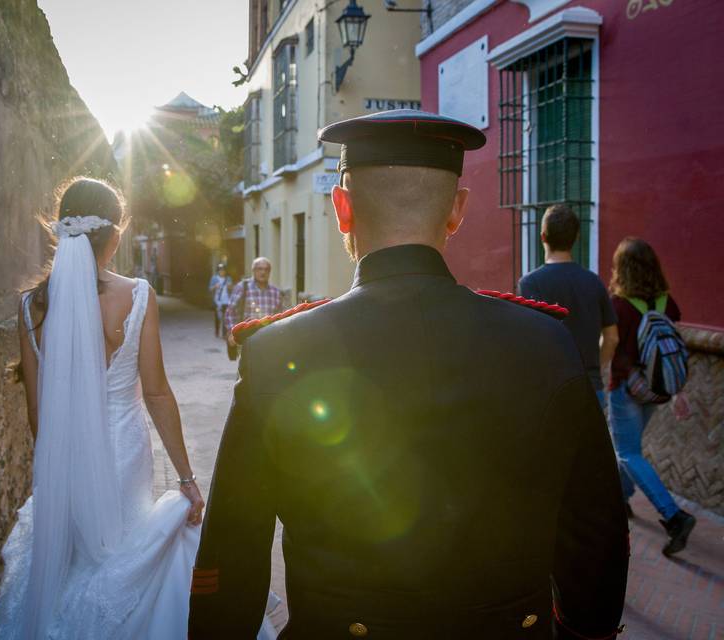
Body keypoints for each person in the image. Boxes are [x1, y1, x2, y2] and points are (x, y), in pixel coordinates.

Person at [189, 110, 628, 639]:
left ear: (342, 208)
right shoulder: (545, 341)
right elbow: (596, 533)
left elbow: (235, 548)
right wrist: (584, 628)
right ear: (457, 211)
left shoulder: (278, 350)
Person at [0, 177, 275, 639]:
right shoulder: (137, 294)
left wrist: (59, 469)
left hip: (64, 460)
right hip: (123, 451)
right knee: (124, 551)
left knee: (75, 563)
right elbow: (158, 393)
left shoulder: (30, 308)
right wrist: (186, 478)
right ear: (113, 232)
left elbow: (37, 415)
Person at [607, 237, 695, 555]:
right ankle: (623, 499)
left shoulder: (618, 305)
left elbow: (616, 349)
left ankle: (674, 517)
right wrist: (678, 392)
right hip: (656, 390)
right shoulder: (665, 302)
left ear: (623, 269)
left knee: (627, 452)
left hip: (627, 389)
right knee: (629, 449)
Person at [519, 204, 618, 409]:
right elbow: (612, 337)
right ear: (576, 238)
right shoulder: (594, 282)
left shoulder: (530, 283)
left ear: (543, 237)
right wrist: (596, 368)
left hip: (550, 390)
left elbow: (529, 340)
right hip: (590, 387)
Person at [224, 257, 285, 345]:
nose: (263, 272)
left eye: (266, 269)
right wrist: (232, 334)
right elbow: (230, 312)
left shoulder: (275, 292)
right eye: (259, 269)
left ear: (269, 272)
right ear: (253, 270)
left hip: (268, 340)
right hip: (246, 340)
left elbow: (281, 316)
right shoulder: (242, 288)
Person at [209, 263, 234, 338]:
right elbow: (210, 289)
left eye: (223, 270)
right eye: (220, 270)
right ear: (218, 271)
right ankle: (217, 331)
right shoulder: (214, 278)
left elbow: (232, 289)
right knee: (218, 317)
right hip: (218, 301)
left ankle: (224, 334)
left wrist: (230, 287)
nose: (222, 271)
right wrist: (215, 286)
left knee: (226, 318)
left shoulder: (228, 278)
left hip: (227, 301)